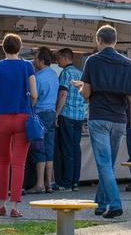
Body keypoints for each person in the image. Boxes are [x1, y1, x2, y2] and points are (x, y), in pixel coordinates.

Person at [74, 25, 131, 218]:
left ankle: (114, 204)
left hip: (99, 118)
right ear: (115, 41)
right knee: (109, 164)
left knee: (104, 165)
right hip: (119, 120)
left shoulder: (92, 61)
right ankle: (100, 204)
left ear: (99, 40)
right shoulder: (129, 65)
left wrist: (80, 88)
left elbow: (86, 93)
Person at [0, 33, 37, 217]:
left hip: (1, 117)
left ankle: (1, 204)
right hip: (22, 117)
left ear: (3, 48)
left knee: (2, 161)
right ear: (20, 47)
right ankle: (15, 207)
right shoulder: (27, 66)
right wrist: (29, 104)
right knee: (19, 163)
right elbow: (34, 94)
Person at [53, 48, 85, 192]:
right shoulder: (80, 73)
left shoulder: (65, 73)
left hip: (66, 114)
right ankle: (75, 181)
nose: (57, 61)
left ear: (66, 58)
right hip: (79, 115)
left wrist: (56, 114)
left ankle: (66, 182)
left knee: (66, 149)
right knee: (75, 148)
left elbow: (63, 95)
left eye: (59, 58)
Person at [27, 47, 57, 194]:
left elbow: (34, 96)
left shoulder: (38, 78)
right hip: (51, 114)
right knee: (49, 149)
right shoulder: (54, 74)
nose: (34, 61)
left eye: (36, 58)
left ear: (42, 60)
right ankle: (49, 183)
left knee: (39, 149)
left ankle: (39, 184)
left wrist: (30, 107)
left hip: (40, 114)